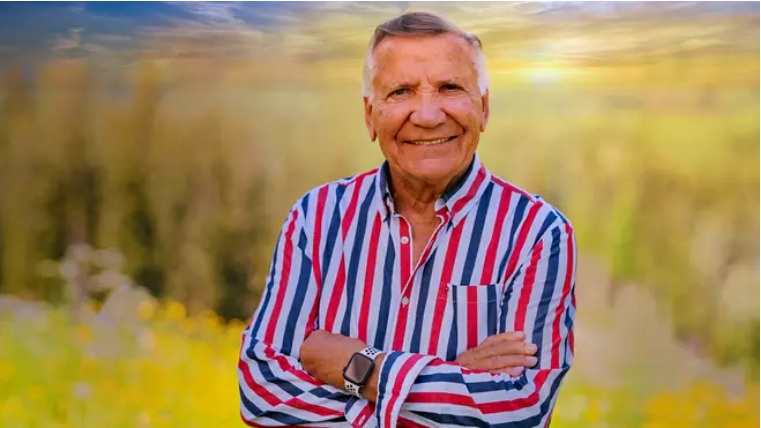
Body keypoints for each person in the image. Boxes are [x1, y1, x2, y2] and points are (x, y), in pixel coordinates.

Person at [238, 11, 577, 428]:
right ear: (370, 116)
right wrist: (454, 376)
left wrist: (359, 368)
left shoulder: (537, 233)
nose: (428, 115)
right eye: (401, 92)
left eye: (450, 88)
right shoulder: (317, 218)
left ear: (484, 109)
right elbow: (261, 394)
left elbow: (521, 410)